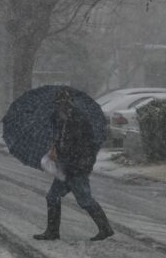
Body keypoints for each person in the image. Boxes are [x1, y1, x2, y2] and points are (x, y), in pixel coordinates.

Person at [33, 89, 114, 241]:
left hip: (77, 168)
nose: (57, 107)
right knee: (52, 197)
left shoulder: (79, 119)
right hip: (65, 167)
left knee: (85, 200)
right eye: (56, 105)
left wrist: (79, 163)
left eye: (59, 104)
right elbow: (62, 141)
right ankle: (52, 232)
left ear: (67, 103)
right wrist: (55, 149)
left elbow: (84, 146)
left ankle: (105, 228)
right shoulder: (59, 119)